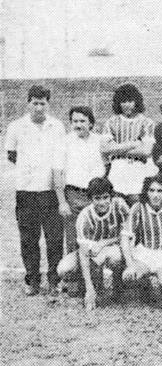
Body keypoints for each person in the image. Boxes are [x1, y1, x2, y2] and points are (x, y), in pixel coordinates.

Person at [4, 85, 67, 296]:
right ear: (28, 103)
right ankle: (32, 280)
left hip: (50, 190)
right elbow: (11, 154)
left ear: (48, 104)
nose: (39, 108)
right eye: (35, 103)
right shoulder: (16, 126)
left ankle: (54, 280)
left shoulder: (57, 126)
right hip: (26, 190)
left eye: (42, 103)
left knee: (54, 238)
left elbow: (61, 156)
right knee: (29, 239)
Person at [57, 177, 129, 311]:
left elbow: (128, 235)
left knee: (115, 256)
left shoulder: (120, 205)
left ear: (111, 196)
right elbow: (83, 254)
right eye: (97, 198)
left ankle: (119, 287)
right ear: (90, 199)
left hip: (113, 248)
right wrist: (89, 289)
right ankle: (91, 287)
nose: (102, 202)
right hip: (92, 252)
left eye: (105, 197)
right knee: (63, 268)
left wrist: (104, 243)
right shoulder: (84, 217)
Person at [121, 175, 162, 303]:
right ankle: (145, 286)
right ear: (146, 192)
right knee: (128, 276)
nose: (155, 195)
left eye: (160, 191)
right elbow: (125, 236)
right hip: (145, 254)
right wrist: (130, 264)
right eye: (151, 190)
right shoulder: (138, 207)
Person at [61, 106, 107, 257]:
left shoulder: (100, 141)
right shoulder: (65, 141)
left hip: (95, 196)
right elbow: (58, 171)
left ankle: (95, 272)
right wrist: (63, 201)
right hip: (74, 195)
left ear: (91, 123)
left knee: (95, 236)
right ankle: (74, 271)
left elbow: (107, 165)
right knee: (73, 238)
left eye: (82, 121)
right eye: (75, 121)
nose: (78, 125)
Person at [101, 83, 157, 206]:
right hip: (117, 172)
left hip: (138, 172)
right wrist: (134, 144)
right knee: (116, 207)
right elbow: (104, 148)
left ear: (136, 102)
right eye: (123, 101)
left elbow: (146, 151)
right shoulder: (111, 122)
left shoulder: (146, 123)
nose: (127, 104)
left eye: (130, 101)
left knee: (137, 208)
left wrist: (116, 147)